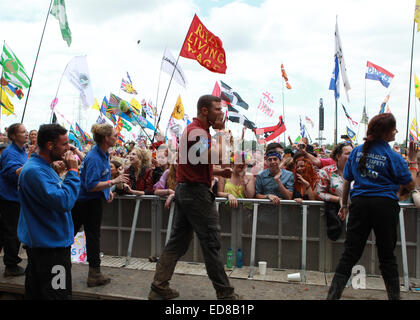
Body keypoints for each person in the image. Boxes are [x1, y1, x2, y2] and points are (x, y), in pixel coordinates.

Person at [149, 94, 240, 300]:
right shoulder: (197, 132)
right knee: (212, 243)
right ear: (205, 110)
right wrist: (222, 133)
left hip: (187, 191)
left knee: (177, 243)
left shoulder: (196, 131)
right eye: (217, 109)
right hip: (195, 194)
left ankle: (159, 287)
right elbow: (216, 156)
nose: (221, 113)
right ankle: (226, 295)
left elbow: (196, 163)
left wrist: (217, 173)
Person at [327, 114, 416, 300]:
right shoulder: (393, 156)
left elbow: (346, 181)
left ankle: (332, 297)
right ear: (385, 133)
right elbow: (411, 185)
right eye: (394, 129)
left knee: (350, 253)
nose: (396, 132)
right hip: (385, 206)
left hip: (360, 205)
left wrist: (344, 205)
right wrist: (414, 161)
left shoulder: (356, 152)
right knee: (387, 256)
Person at [17, 124, 80, 299]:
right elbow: (64, 201)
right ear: (50, 145)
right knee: (56, 295)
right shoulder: (35, 171)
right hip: (50, 249)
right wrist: (73, 172)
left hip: (47, 245)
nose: (68, 148)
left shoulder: (43, 168)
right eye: (65, 144)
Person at [71, 123, 129, 287]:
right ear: (105, 138)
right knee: (91, 236)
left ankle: (60, 263)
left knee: (74, 232)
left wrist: (106, 191)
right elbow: (90, 185)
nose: (116, 138)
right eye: (114, 135)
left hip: (87, 200)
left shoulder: (102, 154)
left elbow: (97, 181)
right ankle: (94, 273)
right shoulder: (95, 157)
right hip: (87, 202)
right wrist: (114, 181)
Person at [0, 123, 28, 277]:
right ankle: (11, 265)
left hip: (17, 197)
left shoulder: (22, 151)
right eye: (22, 132)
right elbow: (13, 174)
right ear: (13, 136)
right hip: (10, 198)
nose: (26, 134)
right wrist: (33, 163)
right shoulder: (10, 153)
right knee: (12, 231)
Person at [316, 142, 353, 241]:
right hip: (336, 219)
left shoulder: (359, 172)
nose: (351, 156)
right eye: (348, 153)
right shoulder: (326, 172)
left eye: (353, 153)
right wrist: (339, 200)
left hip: (355, 218)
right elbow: (320, 193)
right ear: (338, 156)